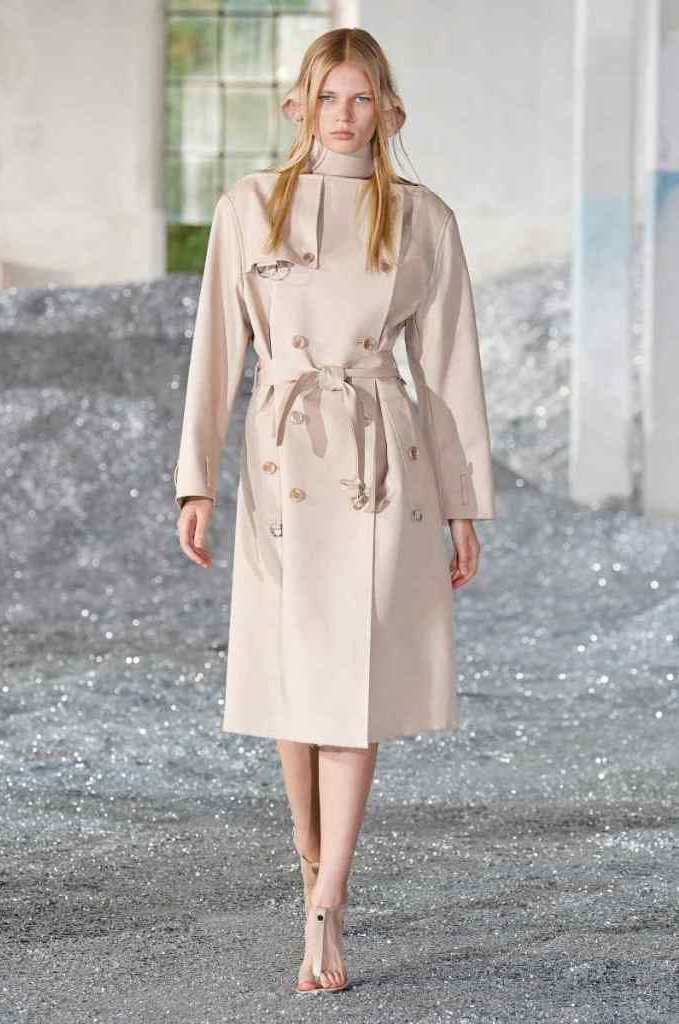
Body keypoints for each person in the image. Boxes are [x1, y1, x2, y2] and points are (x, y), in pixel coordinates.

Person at [173, 27, 496, 995]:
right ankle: (310, 859)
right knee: (291, 684)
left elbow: (448, 369)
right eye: (327, 98)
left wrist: (461, 504)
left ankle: (326, 900)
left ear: (388, 110)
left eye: (360, 99)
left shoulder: (422, 219)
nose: (343, 116)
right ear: (298, 107)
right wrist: (195, 479)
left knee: (351, 682)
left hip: (379, 465)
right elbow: (215, 348)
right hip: (281, 459)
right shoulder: (248, 208)